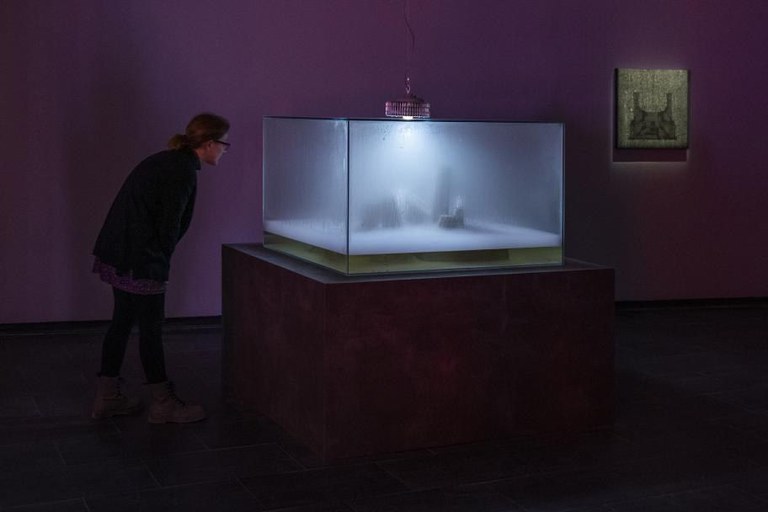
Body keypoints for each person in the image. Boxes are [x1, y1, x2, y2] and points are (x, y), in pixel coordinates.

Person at [91, 112, 230, 423]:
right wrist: (159, 264)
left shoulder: (168, 161)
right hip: (140, 260)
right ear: (209, 143)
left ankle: (107, 396)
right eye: (224, 144)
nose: (225, 150)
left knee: (122, 322)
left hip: (119, 253)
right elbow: (169, 225)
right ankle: (162, 403)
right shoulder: (182, 171)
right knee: (150, 330)